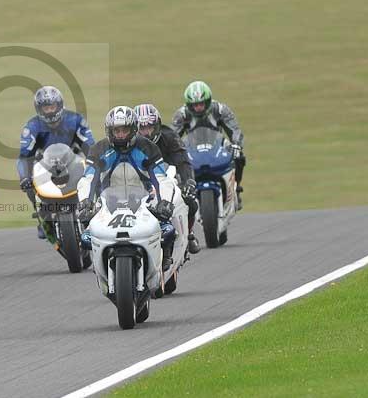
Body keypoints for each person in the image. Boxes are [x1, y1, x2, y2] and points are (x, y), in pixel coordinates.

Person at [78, 106, 177, 270]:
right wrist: (85, 202)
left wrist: (164, 201)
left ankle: (165, 256)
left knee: (167, 228)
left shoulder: (148, 148)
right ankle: (99, 262)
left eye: (125, 130)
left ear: (134, 129)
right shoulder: (98, 150)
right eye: (116, 131)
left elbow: (161, 179)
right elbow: (87, 179)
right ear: (109, 131)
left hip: (145, 200)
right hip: (107, 202)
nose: (120, 135)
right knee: (87, 233)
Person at [17, 86, 95, 239]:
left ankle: (91, 209)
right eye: (46, 108)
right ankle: (43, 216)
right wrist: (25, 177)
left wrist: (95, 163)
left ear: (59, 105)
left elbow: (90, 145)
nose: (50, 111)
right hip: (45, 164)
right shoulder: (31, 126)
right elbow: (24, 156)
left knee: (93, 177)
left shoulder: (76, 120)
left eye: (52, 106)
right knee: (29, 183)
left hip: (73, 159)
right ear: (39, 109)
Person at [135, 103, 200, 254]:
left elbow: (182, 160)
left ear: (157, 126)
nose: (147, 133)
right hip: (139, 183)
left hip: (169, 180)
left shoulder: (170, 136)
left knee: (190, 201)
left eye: (149, 127)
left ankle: (189, 234)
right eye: (142, 128)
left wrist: (188, 181)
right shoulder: (130, 143)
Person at [172, 80, 246, 209]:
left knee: (239, 157)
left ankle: (237, 188)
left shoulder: (220, 110)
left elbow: (235, 130)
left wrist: (237, 145)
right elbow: (172, 136)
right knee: (173, 167)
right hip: (193, 148)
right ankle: (182, 196)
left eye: (201, 104)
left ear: (208, 101)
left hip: (217, 146)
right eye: (194, 105)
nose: (198, 107)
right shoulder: (182, 114)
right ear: (189, 104)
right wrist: (171, 152)